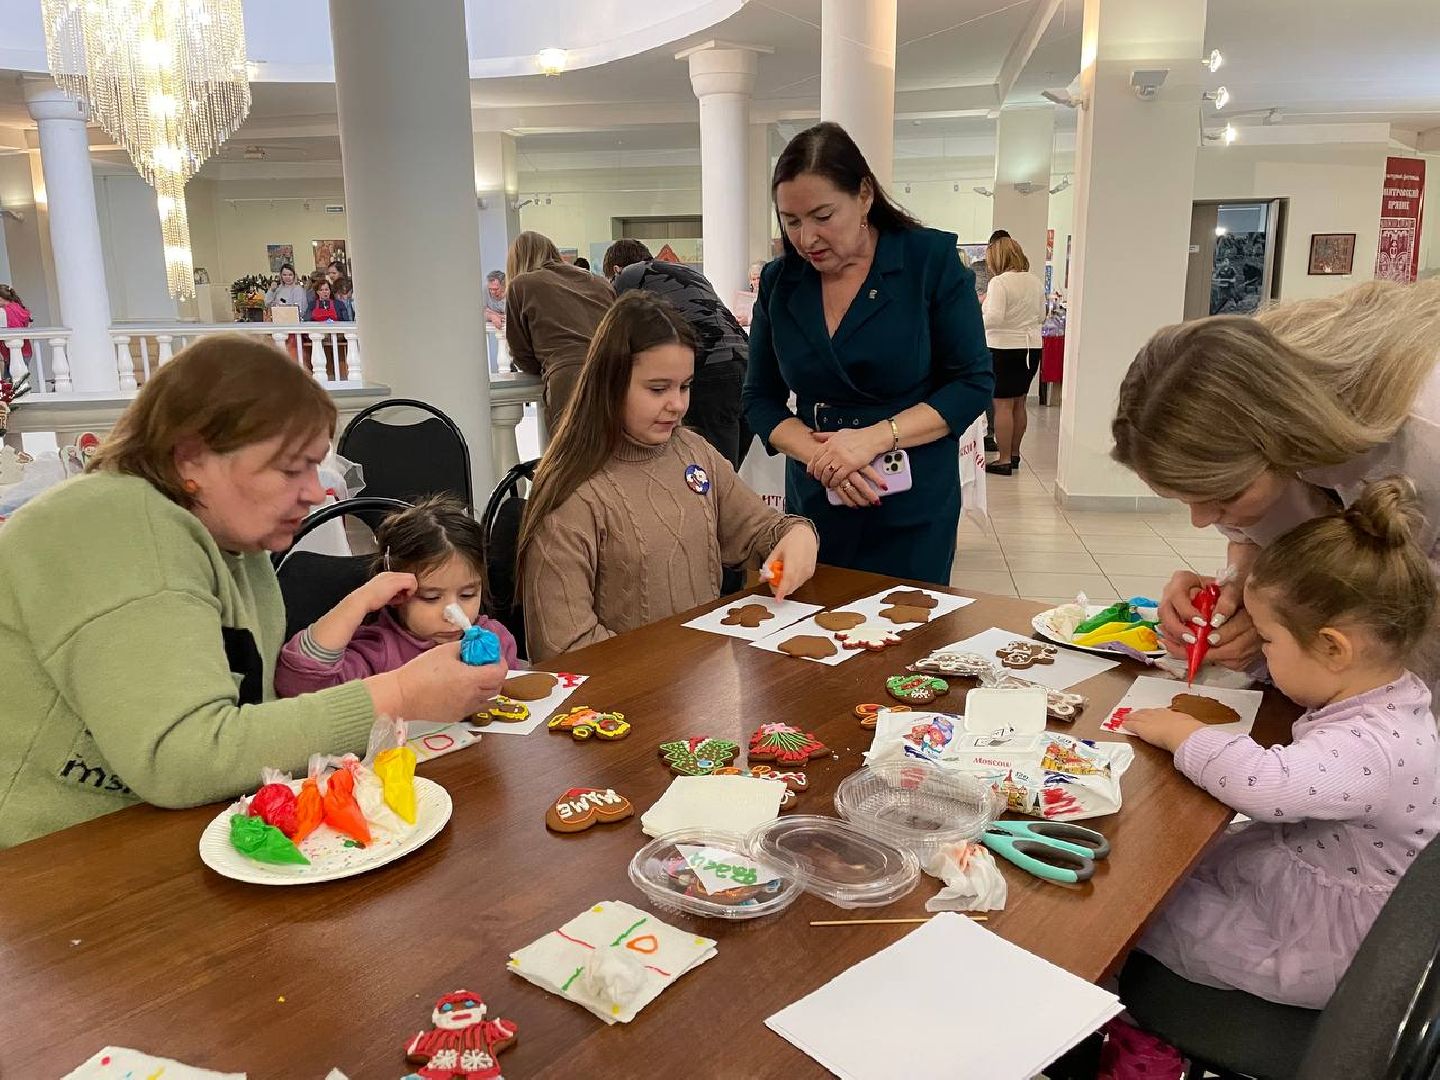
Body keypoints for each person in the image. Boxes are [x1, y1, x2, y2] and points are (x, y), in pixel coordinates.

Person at [0, 336, 506, 849]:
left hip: (154, 841)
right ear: (190, 457)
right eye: (291, 468)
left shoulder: (237, 545)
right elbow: (182, 758)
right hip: (49, 865)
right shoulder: (117, 525)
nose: (318, 491)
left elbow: (247, 724)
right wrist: (398, 694)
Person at [1121, 478, 1439, 1010]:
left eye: (1268, 640)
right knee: (1177, 870)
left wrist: (1183, 734)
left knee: (1146, 912)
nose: (1260, 650)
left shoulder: (1369, 746)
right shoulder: (1398, 693)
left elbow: (1266, 784)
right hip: (1325, 870)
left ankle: (1137, 1037)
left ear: (1333, 648)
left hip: (1338, 953)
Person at [1111, 279, 1440, 687]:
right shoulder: (1248, 424)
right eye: (1185, 499)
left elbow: (1400, 608)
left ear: (1288, 438)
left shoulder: (1425, 434)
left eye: (1224, 497)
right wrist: (1246, 593)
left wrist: (1297, 621)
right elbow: (1253, 535)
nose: (1201, 520)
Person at [742, 121, 993, 585]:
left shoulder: (927, 262)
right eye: (791, 221)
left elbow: (972, 383)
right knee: (810, 641)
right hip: (817, 501)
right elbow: (759, 397)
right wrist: (824, 459)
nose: (807, 238)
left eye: (822, 216)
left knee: (906, 640)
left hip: (911, 498)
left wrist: (873, 439)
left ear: (864, 196)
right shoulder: (781, 282)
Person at [518, 292, 819, 661]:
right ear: (609, 384)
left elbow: (760, 530)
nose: (677, 404)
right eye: (658, 389)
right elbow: (563, 646)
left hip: (704, 681)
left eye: (685, 386)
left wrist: (798, 534)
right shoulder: (573, 493)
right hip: (626, 704)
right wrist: (666, 672)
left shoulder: (692, 452)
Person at [276, 495, 519, 695]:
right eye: (431, 598)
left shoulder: (497, 639)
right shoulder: (377, 653)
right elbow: (299, 688)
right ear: (397, 594)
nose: (454, 615)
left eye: (468, 594)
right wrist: (360, 601)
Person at [603, 238, 752, 468]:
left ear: (615, 270)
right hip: (745, 360)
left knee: (710, 475)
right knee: (726, 471)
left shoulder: (626, 277)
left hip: (710, 368)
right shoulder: (687, 272)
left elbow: (616, 328)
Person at [504, 231, 615, 431]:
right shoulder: (600, 283)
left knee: (572, 457)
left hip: (569, 377)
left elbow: (521, 353)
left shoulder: (521, 285)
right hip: (617, 371)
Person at [981, 235, 1044, 476]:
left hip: (1003, 349)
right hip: (1031, 349)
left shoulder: (999, 283)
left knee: (1002, 406)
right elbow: (1041, 315)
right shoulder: (1035, 281)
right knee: (1019, 403)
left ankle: (1003, 458)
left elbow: (995, 318)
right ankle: (1015, 454)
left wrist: (976, 319)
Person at [0, 284, 34, 378]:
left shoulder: (4, 311)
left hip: (10, 352)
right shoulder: (21, 308)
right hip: (25, 351)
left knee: (12, 384)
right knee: (21, 380)